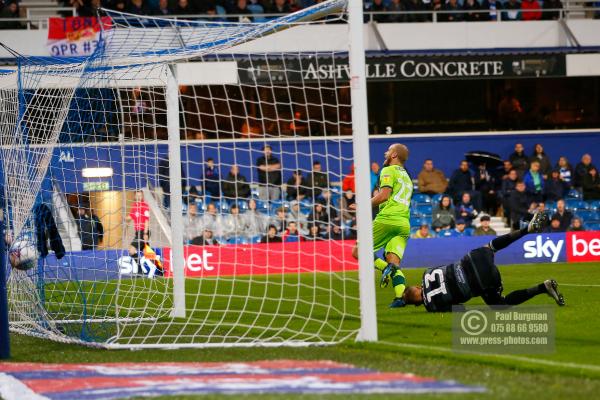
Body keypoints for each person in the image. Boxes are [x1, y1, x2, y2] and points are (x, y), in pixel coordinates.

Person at [400, 212, 565, 311]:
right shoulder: (426, 273)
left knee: (501, 304)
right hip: (471, 260)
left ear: (417, 304)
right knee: (491, 246)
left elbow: (460, 308)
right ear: (416, 286)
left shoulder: (432, 307)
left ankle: (543, 287)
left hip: (481, 282)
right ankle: (525, 230)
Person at [351, 143, 412, 307]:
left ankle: (387, 268)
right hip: (404, 224)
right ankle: (400, 298)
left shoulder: (388, 170)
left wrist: (362, 206)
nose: (386, 153)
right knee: (394, 262)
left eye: (389, 150)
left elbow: (384, 196)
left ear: (394, 155)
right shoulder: (406, 176)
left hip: (387, 219)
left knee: (358, 252)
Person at [126, 190, 150, 259]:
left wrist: (145, 233)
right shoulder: (134, 206)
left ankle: (139, 269)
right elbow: (130, 217)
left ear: (142, 196)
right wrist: (123, 218)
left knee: (131, 250)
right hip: (138, 233)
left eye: (140, 196)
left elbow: (146, 220)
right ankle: (160, 268)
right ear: (135, 196)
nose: (139, 197)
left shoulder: (145, 206)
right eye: (137, 196)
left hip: (143, 232)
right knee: (147, 253)